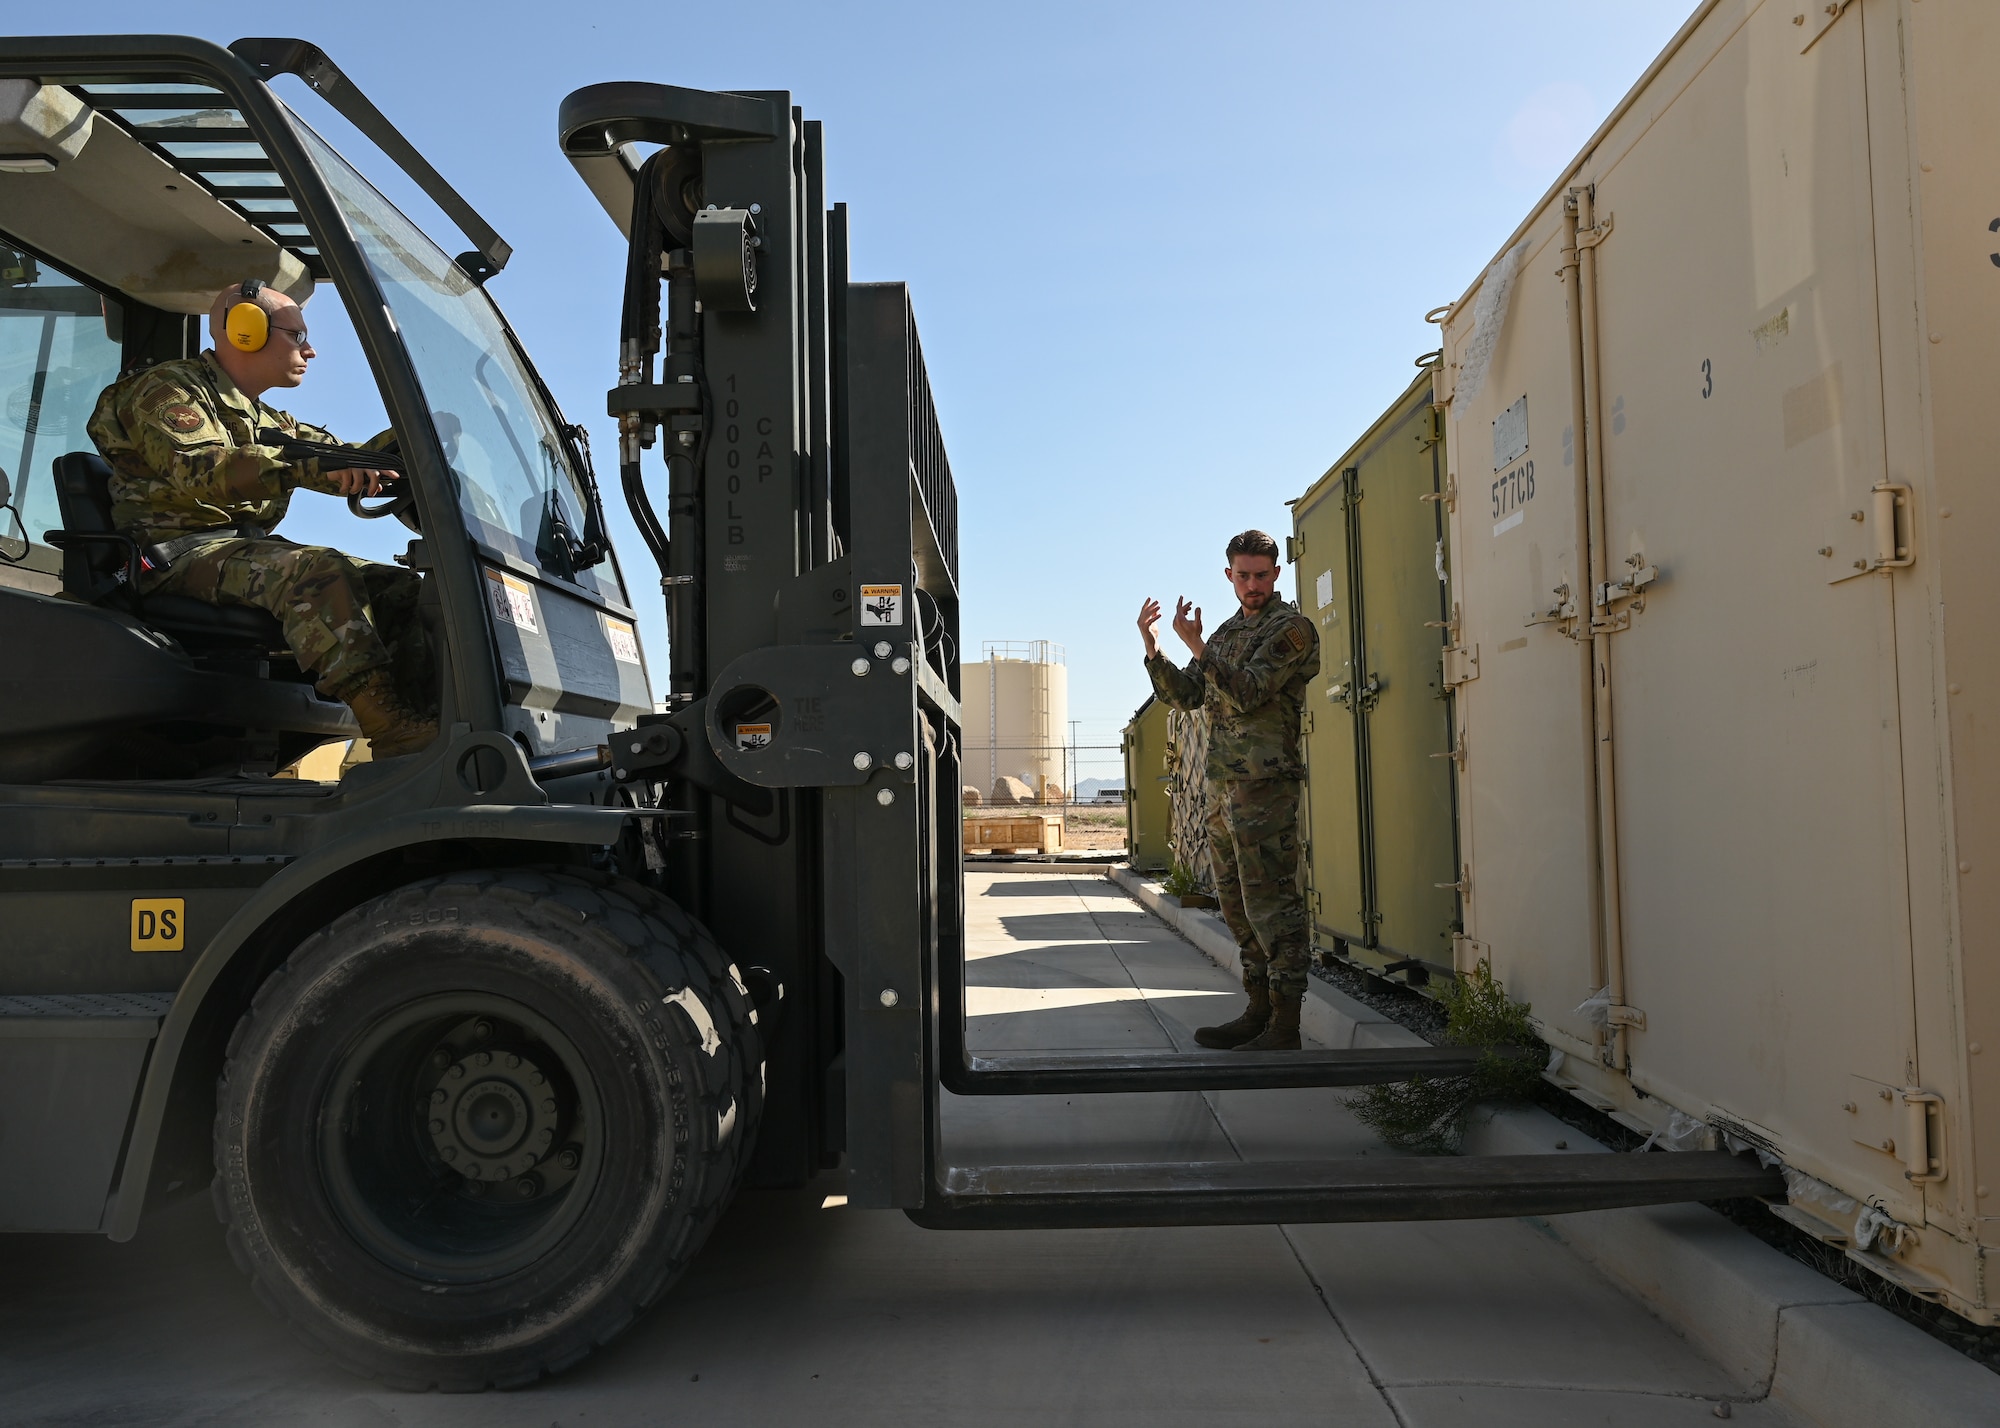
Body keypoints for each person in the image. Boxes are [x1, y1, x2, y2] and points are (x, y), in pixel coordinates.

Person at [86, 279, 438, 757]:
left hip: (236, 554)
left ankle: (430, 724)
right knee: (317, 570)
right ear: (245, 331)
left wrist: (426, 433)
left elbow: (339, 454)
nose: (310, 350)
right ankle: (391, 729)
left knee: (404, 590)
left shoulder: (263, 418)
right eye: (297, 335)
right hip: (173, 557)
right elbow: (204, 470)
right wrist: (318, 468)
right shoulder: (165, 391)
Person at [1139, 529, 1320, 1050]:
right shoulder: (1224, 634)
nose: (1252, 585)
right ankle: (1257, 1010)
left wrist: (1197, 645)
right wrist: (1155, 649)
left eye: (1261, 575)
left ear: (1276, 574)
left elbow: (1247, 693)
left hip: (1264, 787)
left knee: (1273, 904)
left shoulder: (1291, 630)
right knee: (1236, 903)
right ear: (1229, 576)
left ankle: (1286, 1026)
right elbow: (1190, 695)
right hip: (1225, 787)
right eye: (1243, 576)